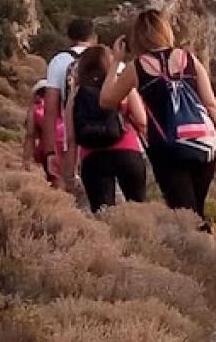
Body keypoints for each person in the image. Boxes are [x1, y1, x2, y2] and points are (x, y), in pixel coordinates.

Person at [102, 10, 216, 229]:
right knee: (197, 212)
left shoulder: (136, 67)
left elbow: (107, 101)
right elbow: (211, 104)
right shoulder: (189, 59)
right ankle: (207, 252)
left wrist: (114, 63)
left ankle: (199, 255)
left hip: (167, 148)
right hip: (204, 144)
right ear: (166, 31)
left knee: (185, 217)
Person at [63, 45, 148, 212]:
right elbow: (142, 121)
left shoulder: (76, 95)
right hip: (127, 152)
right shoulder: (121, 87)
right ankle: (140, 238)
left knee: (103, 215)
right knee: (138, 211)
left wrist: (69, 176)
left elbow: (72, 139)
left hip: (93, 158)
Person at [41, 18, 97, 188]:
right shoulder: (107, 59)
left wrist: (50, 151)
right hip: (110, 139)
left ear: (69, 38)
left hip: (72, 140)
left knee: (75, 194)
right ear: (94, 37)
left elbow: (50, 110)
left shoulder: (59, 61)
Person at [23, 79, 64, 181]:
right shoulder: (64, 104)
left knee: (55, 180)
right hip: (69, 147)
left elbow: (30, 135)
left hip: (49, 149)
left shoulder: (35, 109)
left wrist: (26, 160)